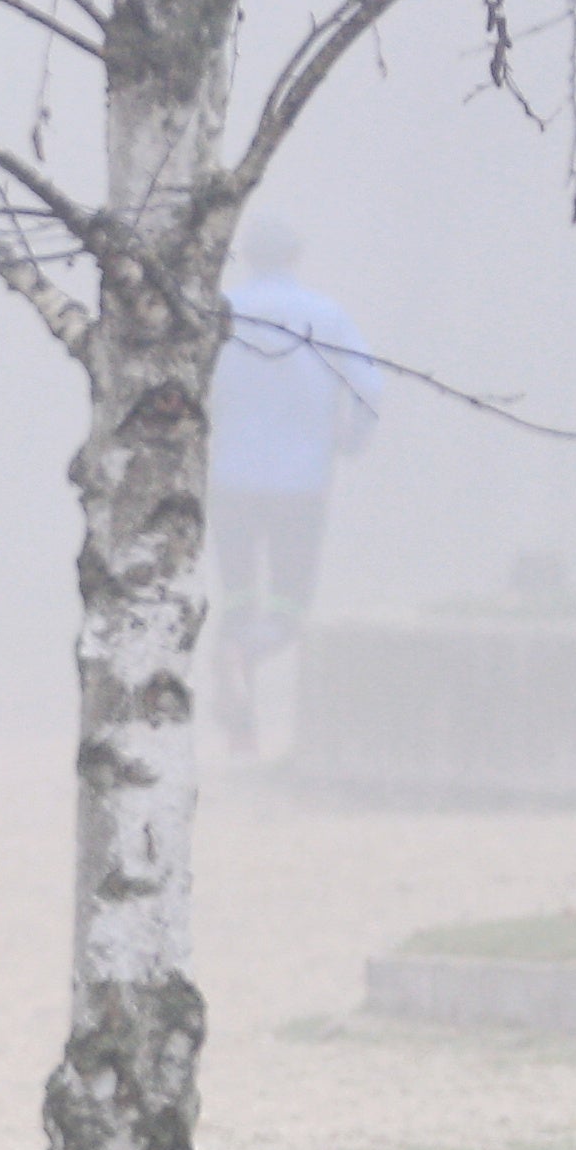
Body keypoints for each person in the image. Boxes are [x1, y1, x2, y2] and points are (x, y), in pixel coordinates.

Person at [209, 219, 383, 755]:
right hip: (300, 485)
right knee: (288, 609)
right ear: (296, 255)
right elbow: (368, 386)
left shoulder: (220, 314)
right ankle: (247, 654)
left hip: (229, 482)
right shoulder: (326, 316)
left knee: (237, 596)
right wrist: (352, 441)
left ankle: (241, 731)